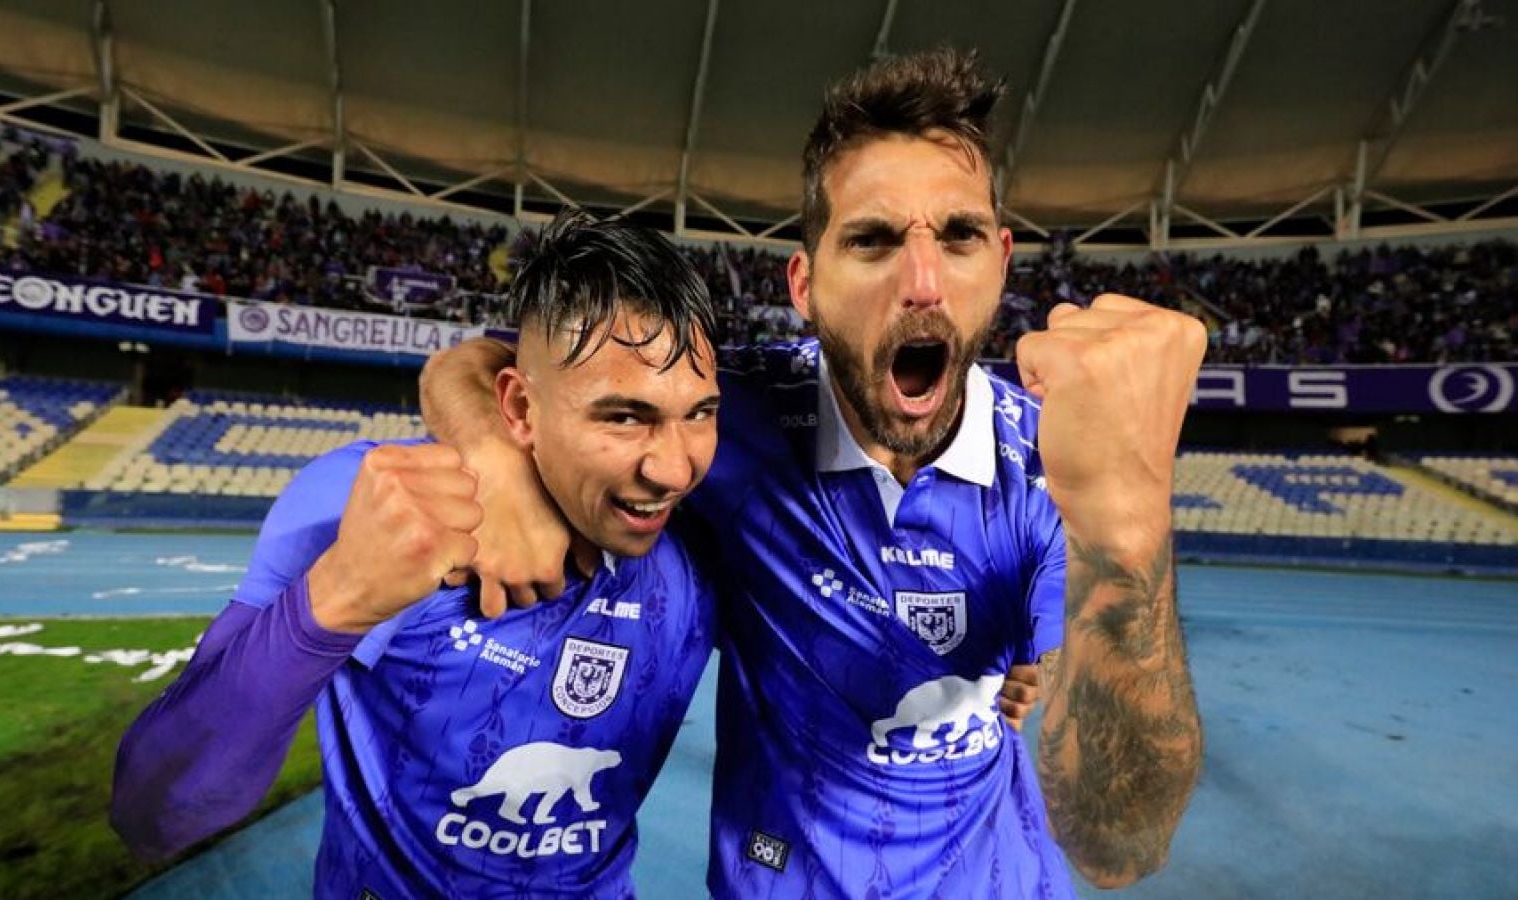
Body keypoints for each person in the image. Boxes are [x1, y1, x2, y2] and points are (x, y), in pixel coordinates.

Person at [420, 48, 1204, 897]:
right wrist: (496, 463)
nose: (923, 283)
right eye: (871, 240)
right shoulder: (725, 413)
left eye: (960, 236)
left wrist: (1126, 522)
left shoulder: (1053, 461)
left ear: (1002, 262)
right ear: (806, 283)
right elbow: (475, 365)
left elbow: (1116, 844)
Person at [111, 212, 725, 898]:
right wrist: (336, 598)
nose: (674, 470)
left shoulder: (715, 532)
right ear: (520, 408)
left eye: (701, 412)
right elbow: (153, 817)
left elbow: (480, 361)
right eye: (624, 416)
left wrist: (490, 447)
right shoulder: (374, 499)